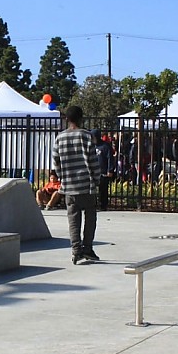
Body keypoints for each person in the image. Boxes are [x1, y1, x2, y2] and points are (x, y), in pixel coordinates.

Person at [53, 105, 101, 265]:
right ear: (81, 119)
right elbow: (93, 161)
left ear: (67, 119)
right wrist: (96, 180)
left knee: (73, 219)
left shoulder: (59, 138)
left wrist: (63, 178)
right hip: (86, 185)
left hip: (69, 186)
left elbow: (56, 163)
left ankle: (76, 251)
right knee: (90, 217)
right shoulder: (86, 136)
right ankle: (87, 248)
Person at [92, 129, 114, 210]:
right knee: (92, 189)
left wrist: (110, 170)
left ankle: (103, 205)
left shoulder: (105, 146)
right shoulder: (91, 146)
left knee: (103, 189)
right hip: (93, 171)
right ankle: (92, 204)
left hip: (103, 171)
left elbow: (110, 158)